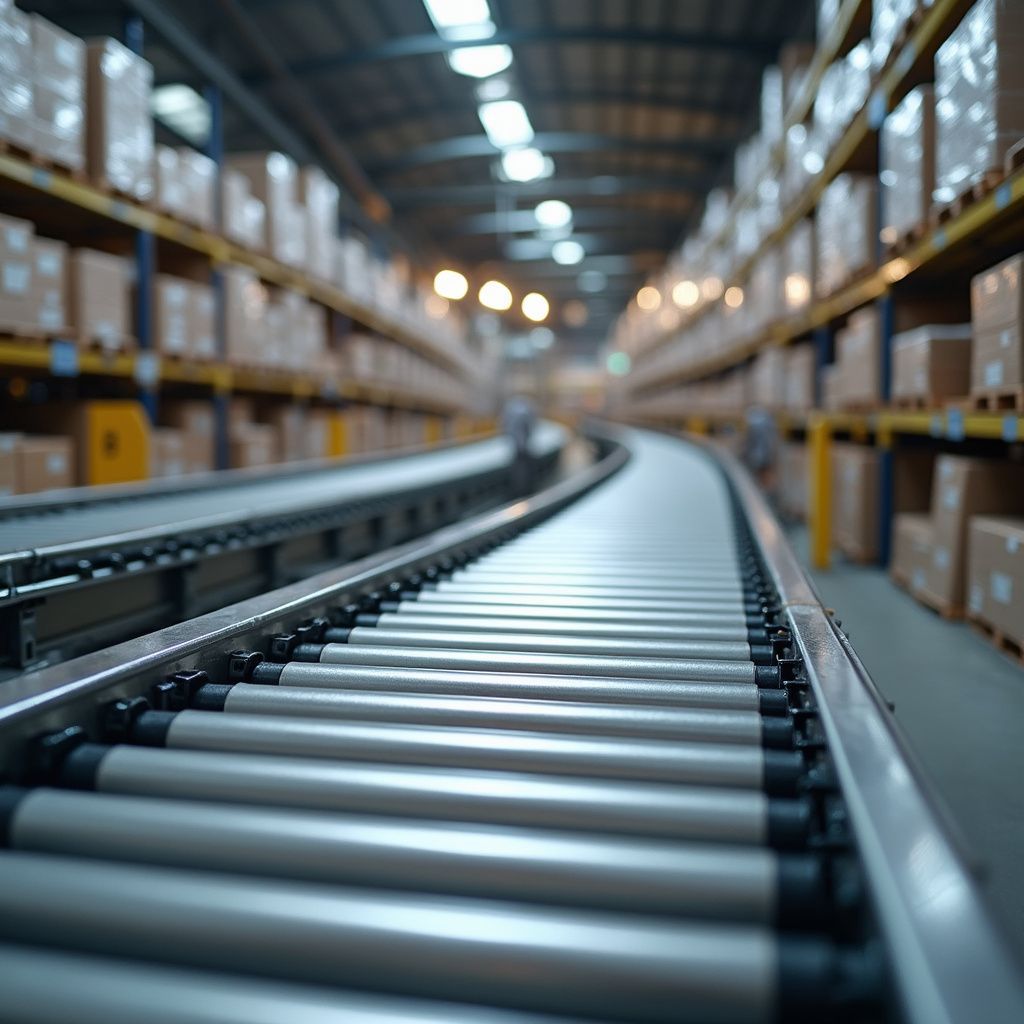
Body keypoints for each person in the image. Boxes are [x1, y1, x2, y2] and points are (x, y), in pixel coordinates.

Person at [501, 394, 537, 497]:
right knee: (523, 469)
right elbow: (531, 427)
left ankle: (519, 491)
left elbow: (505, 427)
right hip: (523, 447)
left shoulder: (511, 410)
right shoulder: (526, 411)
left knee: (519, 469)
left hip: (518, 447)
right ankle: (525, 491)